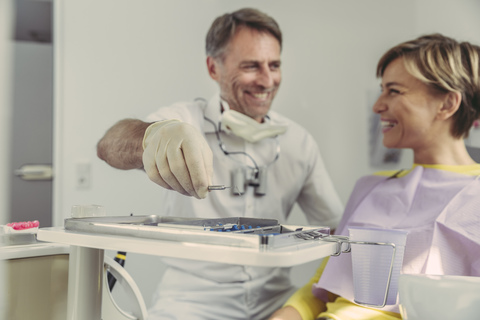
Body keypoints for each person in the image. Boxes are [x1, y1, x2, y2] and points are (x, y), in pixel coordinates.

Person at [96, 8, 344, 320]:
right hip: (192, 301)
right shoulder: (184, 120)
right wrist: (153, 136)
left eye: (275, 65)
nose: (267, 80)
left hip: (276, 300)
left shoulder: (299, 141)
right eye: (252, 66)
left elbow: (337, 227)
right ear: (214, 68)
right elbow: (109, 145)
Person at [269, 33, 480, 320]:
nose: (377, 105)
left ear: (447, 104)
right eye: (382, 90)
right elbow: (320, 288)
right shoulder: (370, 188)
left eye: (394, 91)